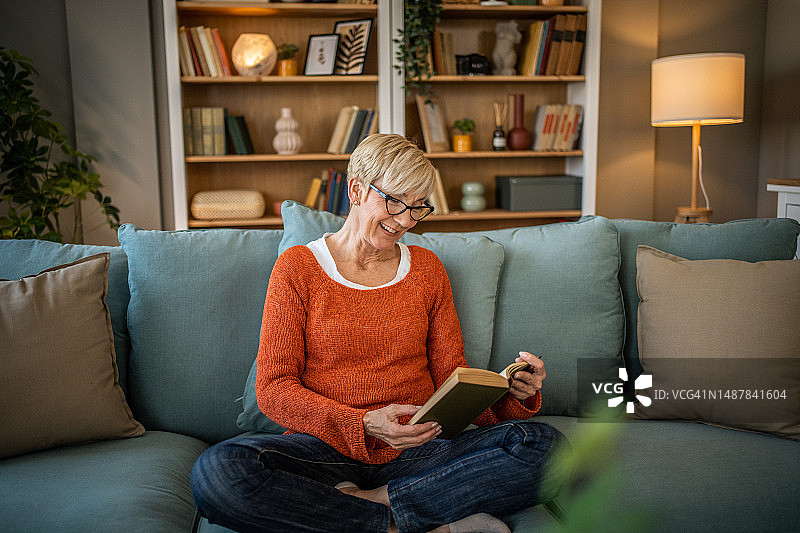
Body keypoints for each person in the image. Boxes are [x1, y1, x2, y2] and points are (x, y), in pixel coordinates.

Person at [191, 134, 567, 533]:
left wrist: (512, 395)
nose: (405, 220)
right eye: (394, 201)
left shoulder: (426, 270)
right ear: (356, 189)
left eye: (418, 206)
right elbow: (273, 389)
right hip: (325, 449)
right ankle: (411, 520)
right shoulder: (297, 268)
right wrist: (365, 424)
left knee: (545, 446)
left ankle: (370, 505)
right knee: (219, 472)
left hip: (420, 447)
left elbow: (453, 379)